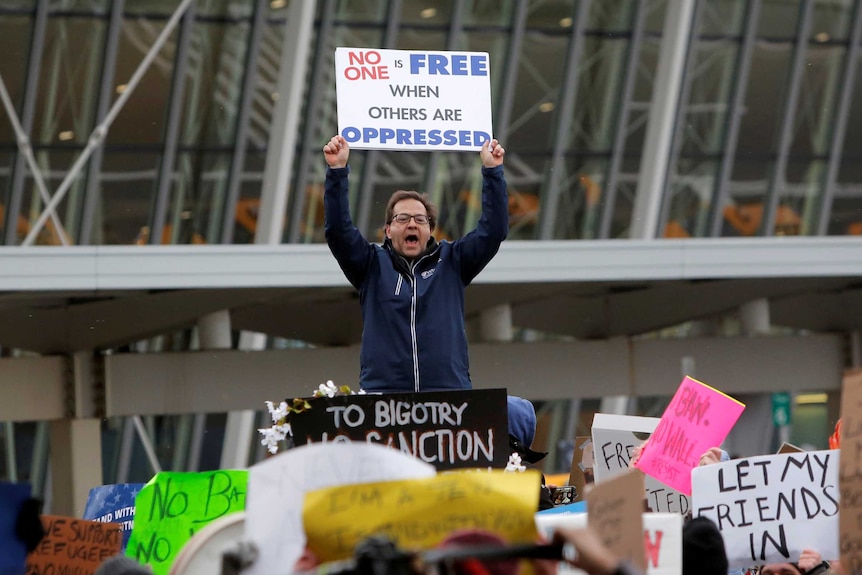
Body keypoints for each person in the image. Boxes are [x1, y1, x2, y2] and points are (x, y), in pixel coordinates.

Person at [323, 135, 508, 393]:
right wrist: (337, 171)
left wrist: (492, 171)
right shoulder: (370, 265)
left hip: (447, 397)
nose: (412, 224)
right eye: (403, 218)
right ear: (388, 230)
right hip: (385, 397)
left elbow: (493, 231)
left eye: (420, 220)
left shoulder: (453, 261)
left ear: (430, 230)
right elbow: (338, 232)